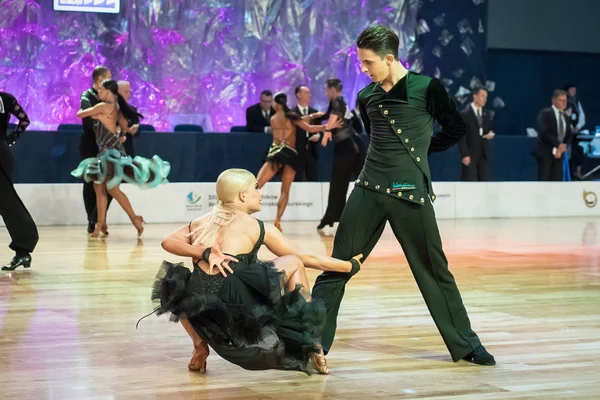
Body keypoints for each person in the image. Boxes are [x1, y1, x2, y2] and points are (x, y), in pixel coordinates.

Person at [311, 25, 496, 366]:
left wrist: (423, 154)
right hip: (368, 187)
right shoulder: (366, 97)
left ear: (390, 58)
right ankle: (311, 344)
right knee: (336, 266)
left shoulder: (428, 88)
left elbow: (455, 128)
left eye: (368, 63)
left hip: (409, 192)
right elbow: (375, 139)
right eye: (361, 62)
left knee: (433, 269)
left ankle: (466, 344)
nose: (363, 70)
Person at [152, 168, 362, 375]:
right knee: (294, 262)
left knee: (175, 283)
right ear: (243, 195)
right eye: (257, 187)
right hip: (233, 299)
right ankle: (312, 342)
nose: (261, 193)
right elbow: (308, 258)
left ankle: (199, 345)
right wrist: (348, 266)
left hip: (199, 306)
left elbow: (167, 241)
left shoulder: (201, 222)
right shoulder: (258, 226)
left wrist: (203, 252)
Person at [71, 79, 170, 237]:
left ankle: (134, 219)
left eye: (101, 90)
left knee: (112, 189)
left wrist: (95, 112)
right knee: (100, 188)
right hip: (106, 153)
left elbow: (80, 114)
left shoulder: (103, 106)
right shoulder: (116, 108)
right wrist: (118, 134)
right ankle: (101, 224)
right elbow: (123, 128)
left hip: (110, 155)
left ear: (109, 91)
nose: (98, 92)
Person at [256, 92, 341, 232]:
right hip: (290, 153)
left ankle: (242, 212)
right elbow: (307, 127)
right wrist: (327, 126)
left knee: (257, 184)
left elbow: (297, 121)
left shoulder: (273, 119)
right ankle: (277, 220)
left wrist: (313, 116)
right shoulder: (291, 117)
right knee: (285, 190)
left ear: (276, 104)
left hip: (276, 153)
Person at [316, 78, 366, 230]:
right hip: (351, 146)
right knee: (348, 182)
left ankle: (335, 216)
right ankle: (334, 216)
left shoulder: (337, 100)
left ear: (332, 89)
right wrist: (311, 119)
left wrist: (327, 132)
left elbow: (332, 117)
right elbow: (327, 116)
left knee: (342, 182)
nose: (325, 93)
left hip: (349, 147)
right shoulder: (339, 102)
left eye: (326, 90)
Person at [0, 91, 39, 271]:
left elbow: (24, 120)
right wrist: (10, 139)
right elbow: (24, 120)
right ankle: (23, 249)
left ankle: (23, 248)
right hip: (2, 151)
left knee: (6, 199)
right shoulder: (6, 98)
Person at [459, 85, 495, 181]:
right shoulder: (464, 114)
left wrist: (490, 133)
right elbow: (461, 136)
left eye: (486, 97)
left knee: (483, 182)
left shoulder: (487, 114)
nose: (485, 99)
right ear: (475, 96)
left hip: (483, 154)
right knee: (468, 181)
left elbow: (488, 129)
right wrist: (464, 154)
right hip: (470, 154)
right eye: (482, 96)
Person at [535, 90, 573, 181]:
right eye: (561, 100)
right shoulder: (545, 113)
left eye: (565, 100)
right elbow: (544, 132)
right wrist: (558, 144)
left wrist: (564, 146)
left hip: (559, 154)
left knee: (557, 179)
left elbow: (569, 134)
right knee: (545, 179)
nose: (564, 103)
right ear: (554, 101)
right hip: (546, 152)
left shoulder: (565, 116)